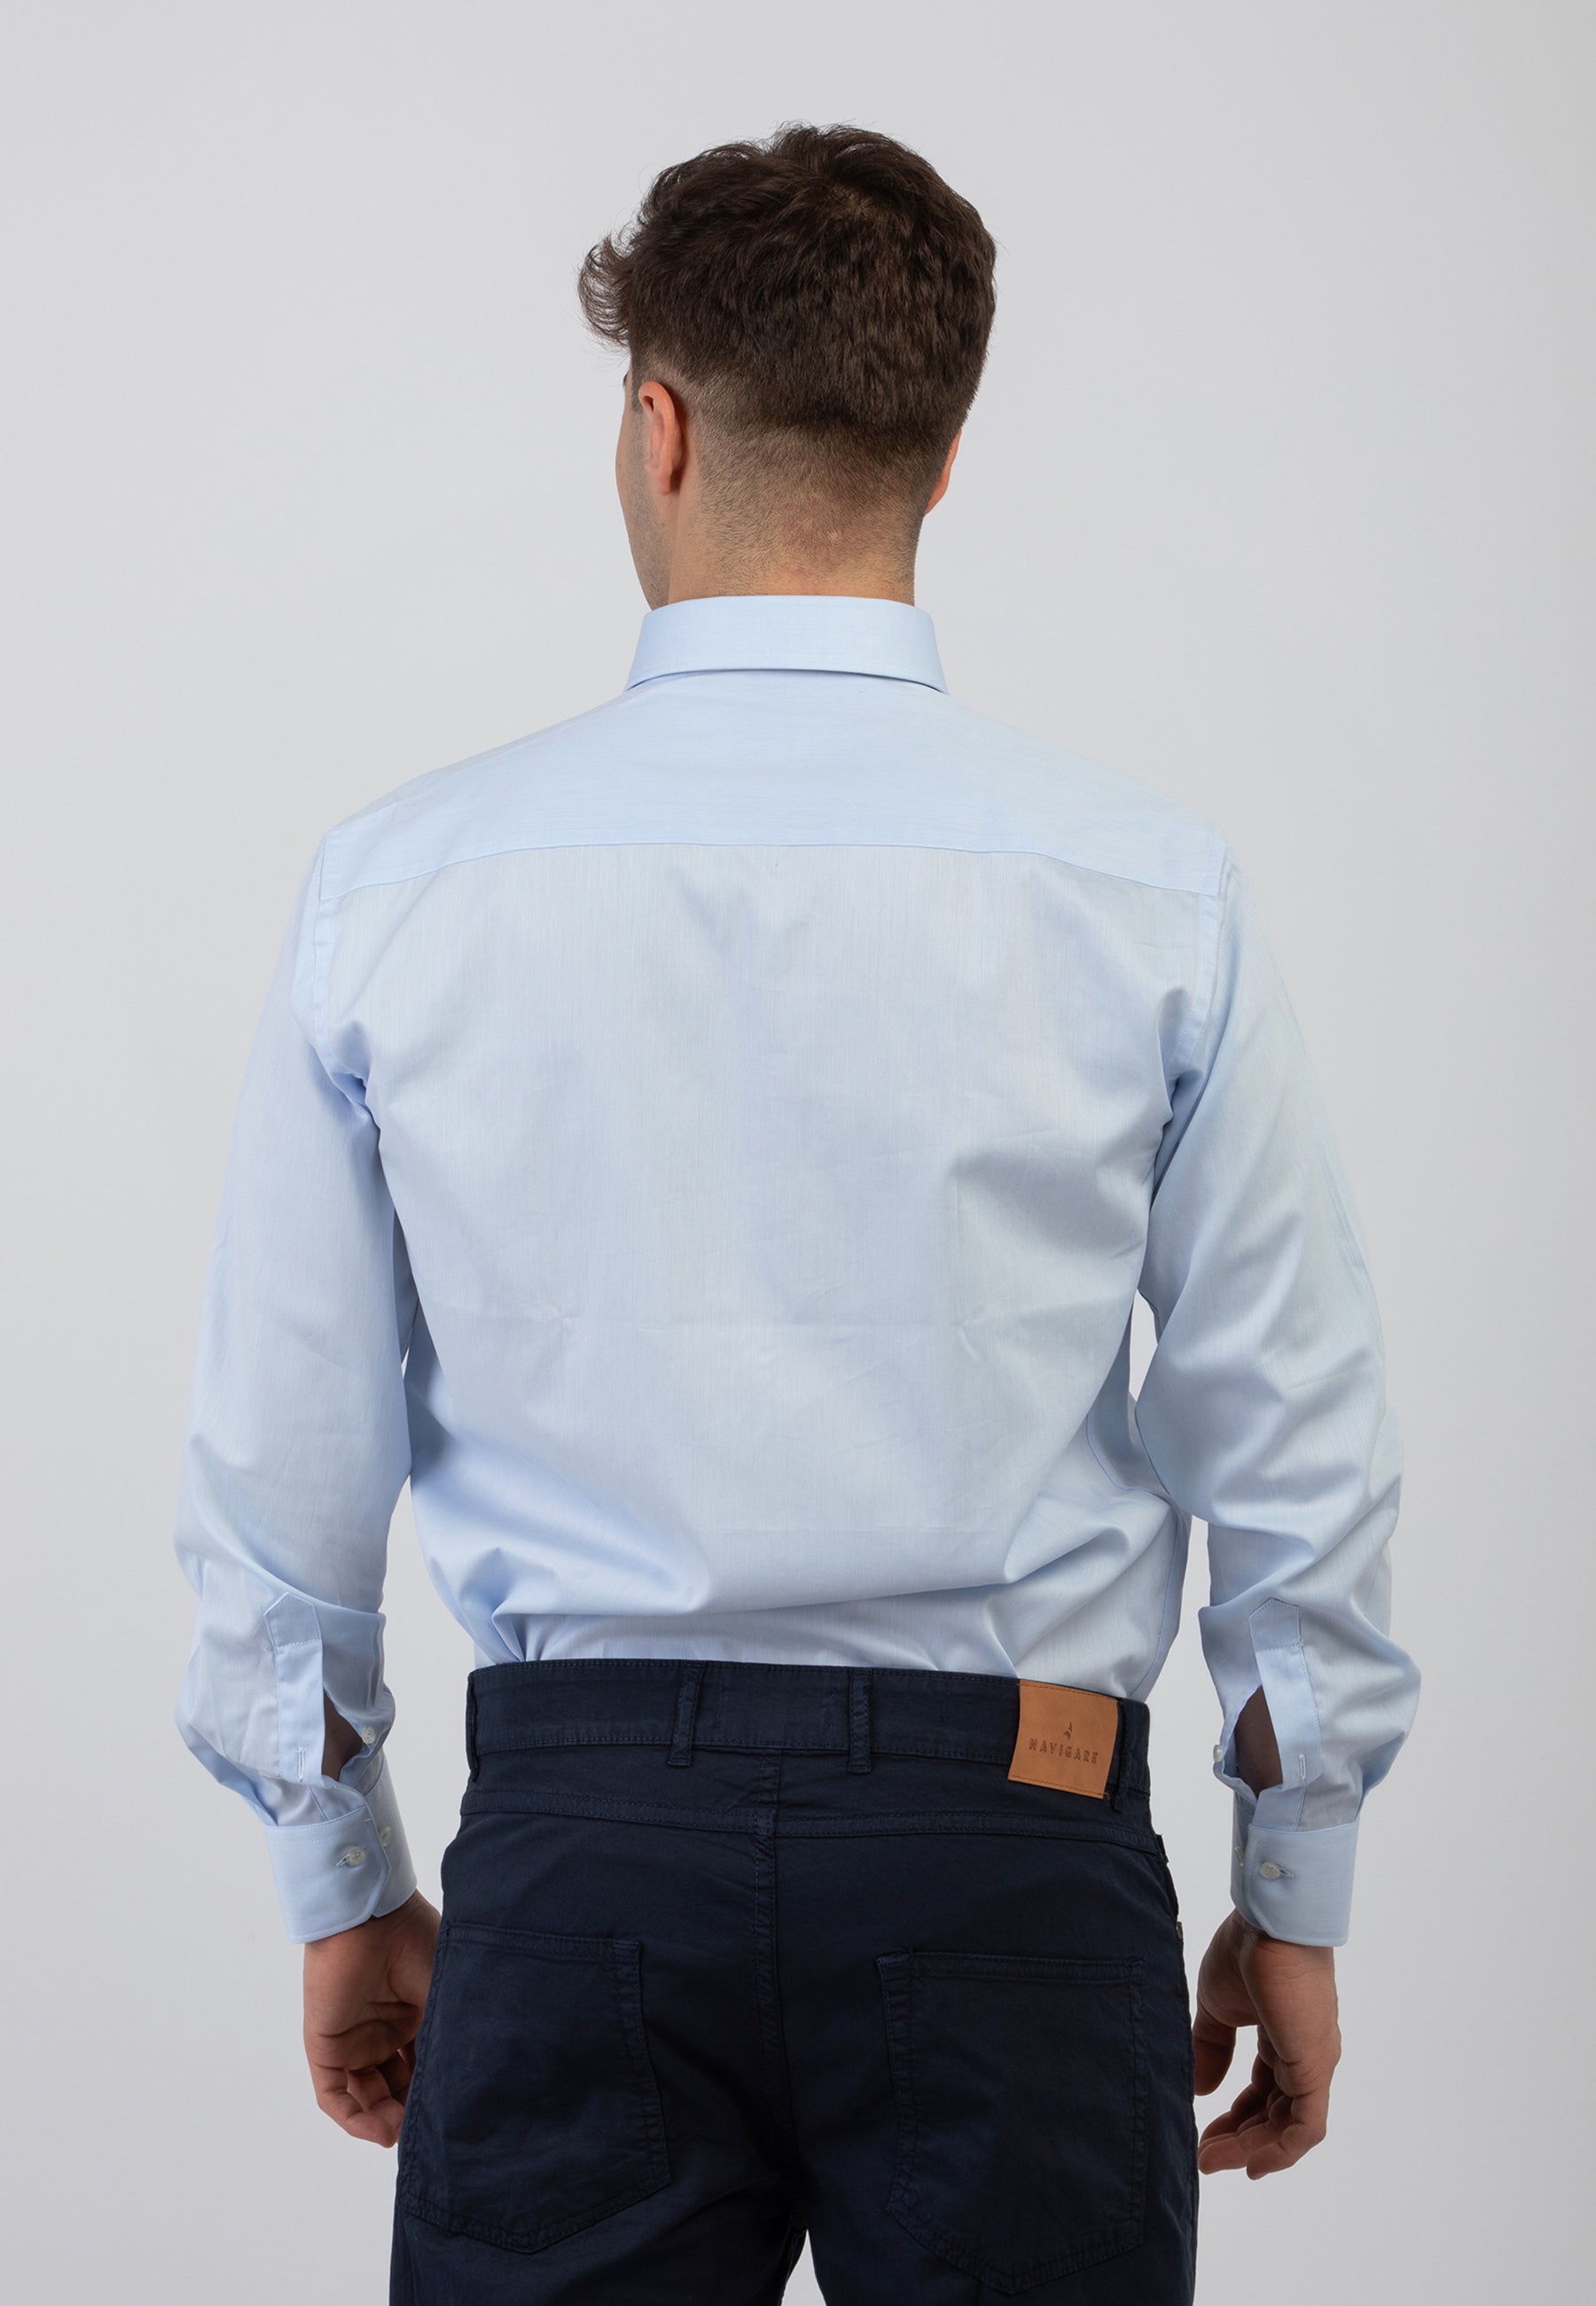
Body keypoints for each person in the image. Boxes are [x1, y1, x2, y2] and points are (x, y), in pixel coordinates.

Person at [172, 122, 1420, 2305]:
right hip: (1018, 1853)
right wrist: (1295, 1886)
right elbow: (1295, 1439)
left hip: (581, 1852)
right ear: (943, 459)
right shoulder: (1147, 894)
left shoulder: (401, 892)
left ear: (658, 428)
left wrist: (338, 1874)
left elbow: (280, 1457)